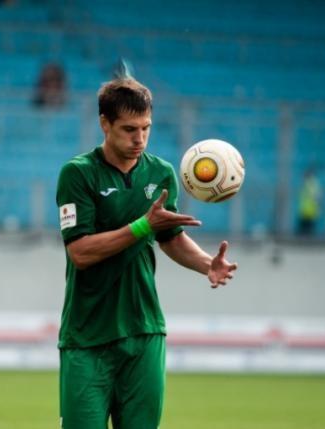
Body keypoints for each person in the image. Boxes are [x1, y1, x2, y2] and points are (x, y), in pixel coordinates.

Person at [55, 77, 238, 429]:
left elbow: (170, 238)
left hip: (144, 330)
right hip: (87, 335)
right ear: (104, 123)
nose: (139, 138)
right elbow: (80, 252)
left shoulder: (162, 174)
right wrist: (142, 226)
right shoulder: (78, 174)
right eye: (129, 129)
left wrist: (206, 264)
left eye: (146, 128)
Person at [296, 167, 321, 236]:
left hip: (309, 211)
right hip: (306, 211)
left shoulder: (311, 184)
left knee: (307, 232)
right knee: (306, 232)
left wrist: (317, 207)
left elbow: (316, 197)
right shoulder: (309, 184)